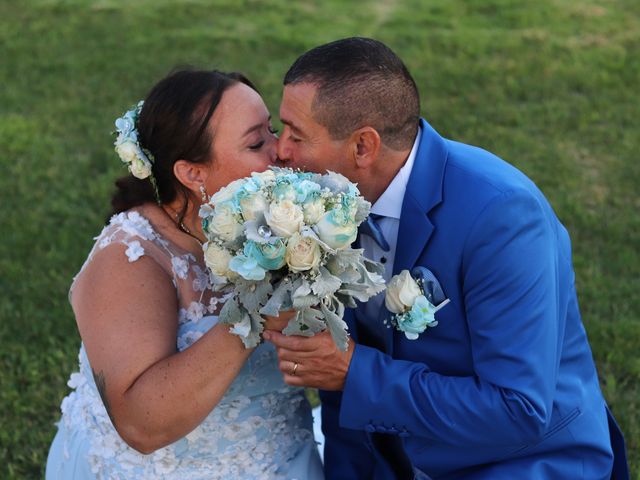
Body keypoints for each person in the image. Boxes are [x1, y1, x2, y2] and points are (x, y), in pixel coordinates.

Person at [265, 37, 628, 479]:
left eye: (296, 134)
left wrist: (357, 372)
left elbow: (518, 411)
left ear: (364, 147)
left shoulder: (501, 217)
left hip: (519, 463)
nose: (281, 151)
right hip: (392, 456)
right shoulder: (327, 202)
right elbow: (340, 388)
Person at [46, 69, 324, 479]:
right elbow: (141, 423)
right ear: (192, 173)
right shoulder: (131, 257)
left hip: (282, 458)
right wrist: (257, 313)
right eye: (256, 141)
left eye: (272, 129)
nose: (281, 149)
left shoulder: (286, 223)